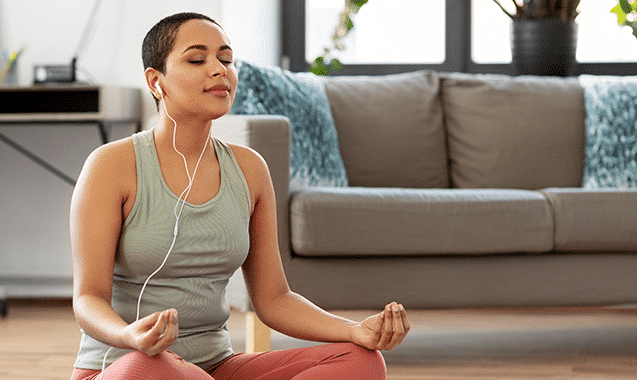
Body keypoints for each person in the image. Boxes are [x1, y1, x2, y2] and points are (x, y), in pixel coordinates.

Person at [69, 12, 410, 380]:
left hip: (216, 369)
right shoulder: (111, 165)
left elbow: (274, 299)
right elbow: (88, 298)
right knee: (146, 368)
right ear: (156, 81)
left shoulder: (249, 168)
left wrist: (353, 330)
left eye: (226, 59)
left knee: (361, 360)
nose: (219, 70)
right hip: (131, 368)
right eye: (197, 59)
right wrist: (128, 335)